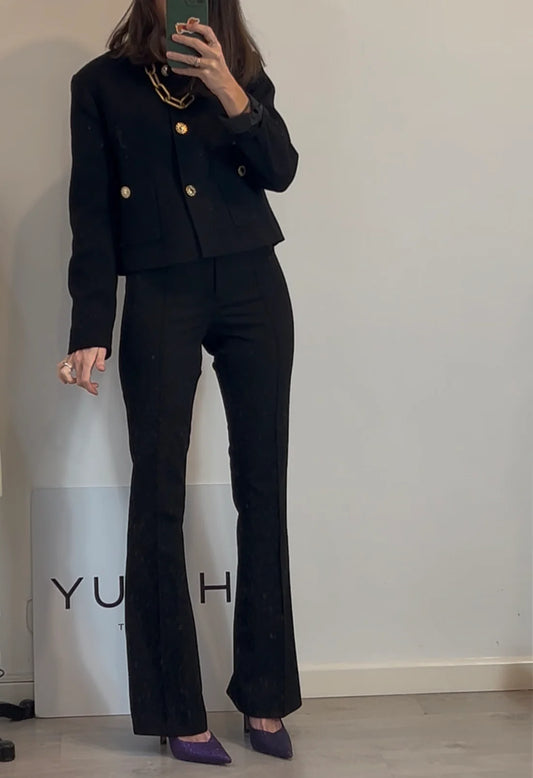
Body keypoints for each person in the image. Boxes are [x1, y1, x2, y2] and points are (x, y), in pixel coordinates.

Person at [56, 0, 302, 765]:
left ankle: (265, 693)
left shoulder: (241, 72)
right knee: (157, 487)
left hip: (253, 284)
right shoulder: (100, 84)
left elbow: (281, 171)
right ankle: (176, 711)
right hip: (161, 290)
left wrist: (230, 91)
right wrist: (91, 325)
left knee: (262, 484)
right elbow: (92, 211)